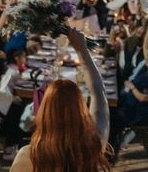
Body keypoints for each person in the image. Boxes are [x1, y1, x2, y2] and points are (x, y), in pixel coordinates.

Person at [10, 29, 111, 172]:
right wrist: (82, 49)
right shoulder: (93, 146)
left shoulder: (27, 157)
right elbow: (99, 94)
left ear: (45, 112)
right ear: (80, 110)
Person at [108, 44, 148, 158]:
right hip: (132, 107)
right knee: (109, 110)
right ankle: (110, 148)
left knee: (112, 118)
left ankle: (111, 153)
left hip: (140, 113)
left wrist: (132, 87)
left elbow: (143, 98)